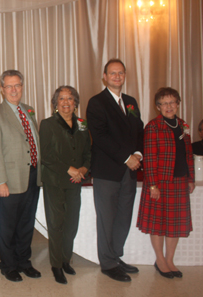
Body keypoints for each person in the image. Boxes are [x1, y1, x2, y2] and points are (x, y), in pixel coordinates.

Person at [86, 59, 144, 282]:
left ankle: (115, 256)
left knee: (123, 217)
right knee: (107, 218)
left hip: (130, 171)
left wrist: (138, 154)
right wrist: (126, 157)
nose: (117, 76)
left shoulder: (130, 101)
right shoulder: (97, 102)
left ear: (125, 75)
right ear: (104, 76)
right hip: (107, 171)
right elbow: (100, 136)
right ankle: (108, 264)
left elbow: (139, 129)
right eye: (113, 73)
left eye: (120, 73)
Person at [0, 70, 41, 283]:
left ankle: (24, 262)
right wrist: (1, 181)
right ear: (1, 89)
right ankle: (8, 266)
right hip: (10, 178)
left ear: (22, 87)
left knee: (27, 224)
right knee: (9, 226)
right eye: (9, 86)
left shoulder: (29, 110)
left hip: (32, 176)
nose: (14, 90)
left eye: (17, 85)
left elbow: (33, 142)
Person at [137, 87, 195, 279]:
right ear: (157, 106)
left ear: (178, 104)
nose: (168, 106)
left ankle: (170, 259)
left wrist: (190, 178)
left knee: (175, 224)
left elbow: (188, 155)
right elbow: (150, 158)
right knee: (159, 223)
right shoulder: (153, 127)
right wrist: (153, 184)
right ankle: (160, 259)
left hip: (179, 182)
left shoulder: (183, 125)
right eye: (164, 103)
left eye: (172, 102)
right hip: (160, 183)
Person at [40, 86, 91, 284]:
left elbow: (88, 153)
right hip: (55, 182)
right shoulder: (47, 124)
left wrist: (84, 170)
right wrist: (69, 168)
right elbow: (46, 155)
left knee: (71, 225)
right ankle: (56, 265)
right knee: (56, 224)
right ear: (55, 102)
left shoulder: (83, 124)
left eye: (70, 98)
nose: (66, 102)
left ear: (76, 102)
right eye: (62, 98)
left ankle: (65, 259)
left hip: (76, 181)